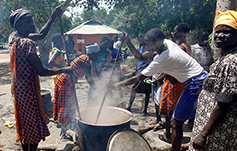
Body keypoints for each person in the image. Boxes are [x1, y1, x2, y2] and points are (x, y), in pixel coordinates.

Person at [114, 29, 208, 151]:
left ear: (157, 44)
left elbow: (137, 78)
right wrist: (128, 42)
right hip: (197, 78)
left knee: (176, 122)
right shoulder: (167, 43)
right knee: (181, 119)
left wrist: (115, 85)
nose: (146, 47)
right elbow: (141, 57)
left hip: (196, 83)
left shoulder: (164, 58)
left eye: (148, 44)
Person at [8, 8, 72, 151]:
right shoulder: (27, 44)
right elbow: (41, 71)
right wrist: (64, 70)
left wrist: (53, 16)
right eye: (28, 22)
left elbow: (42, 34)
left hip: (18, 92)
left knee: (26, 129)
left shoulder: (13, 38)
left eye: (32, 21)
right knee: (34, 130)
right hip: (29, 94)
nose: (32, 25)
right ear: (18, 25)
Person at [189, 10, 237, 151]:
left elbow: (224, 103)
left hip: (217, 130)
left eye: (227, 32)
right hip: (213, 124)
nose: (220, 35)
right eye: (217, 31)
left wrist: (203, 134)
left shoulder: (231, 62)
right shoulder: (226, 56)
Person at [53, 54, 95, 140]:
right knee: (65, 107)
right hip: (65, 82)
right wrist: (98, 88)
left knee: (70, 105)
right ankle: (63, 132)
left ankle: (69, 127)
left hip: (67, 81)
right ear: (93, 53)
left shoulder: (85, 58)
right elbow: (89, 77)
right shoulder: (85, 61)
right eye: (97, 54)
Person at [126, 34, 153, 116]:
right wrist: (135, 71)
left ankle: (145, 110)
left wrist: (150, 75)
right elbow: (138, 62)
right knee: (133, 90)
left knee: (147, 93)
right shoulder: (139, 49)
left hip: (147, 74)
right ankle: (129, 107)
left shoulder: (151, 51)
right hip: (138, 73)